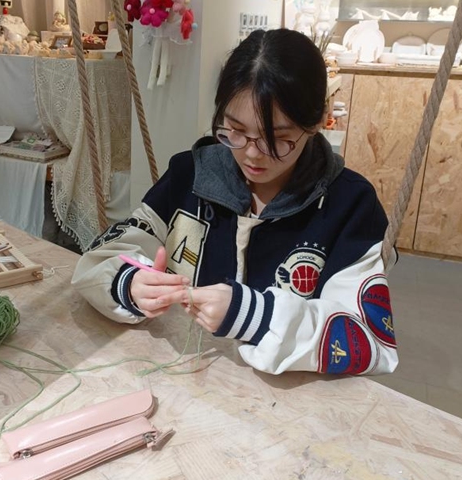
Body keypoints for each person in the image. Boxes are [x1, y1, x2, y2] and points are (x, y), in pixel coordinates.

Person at [72, 29, 398, 375]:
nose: (253, 154)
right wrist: (129, 284)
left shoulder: (349, 205)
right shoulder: (190, 175)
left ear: (318, 122)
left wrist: (255, 317)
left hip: (286, 410)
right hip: (185, 387)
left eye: (279, 139)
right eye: (235, 130)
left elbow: (371, 342)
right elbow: (98, 262)